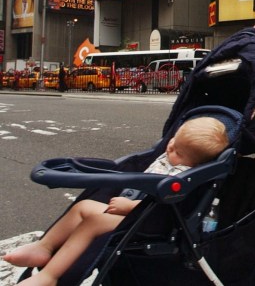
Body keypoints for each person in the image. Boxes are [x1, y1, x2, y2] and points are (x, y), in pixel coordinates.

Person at [2, 116, 229, 286]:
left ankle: (49, 276)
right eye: (172, 141)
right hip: (132, 212)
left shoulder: (183, 175)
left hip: (149, 220)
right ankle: (44, 246)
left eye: (178, 151)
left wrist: (131, 207)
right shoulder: (173, 155)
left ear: (194, 164)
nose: (170, 148)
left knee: (92, 223)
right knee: (82, 207)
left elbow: (170, 206)